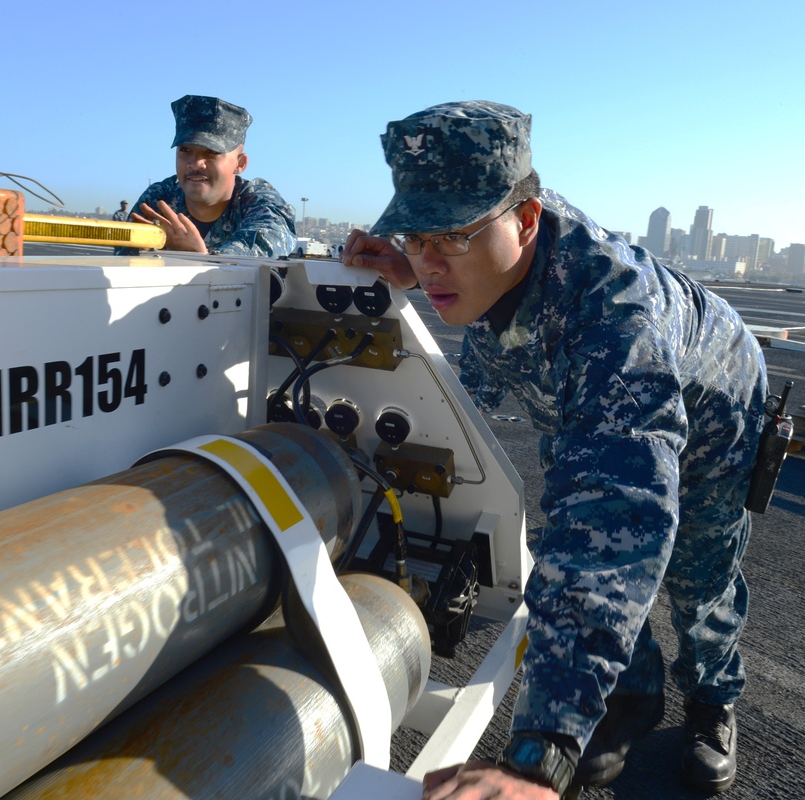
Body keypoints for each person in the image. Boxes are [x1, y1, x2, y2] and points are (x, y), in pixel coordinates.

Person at [341, 101, 768, 798]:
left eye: (448, 236)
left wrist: (541, 755)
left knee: (697, 573)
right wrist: (424, 266)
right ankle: (631, 692)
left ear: (528, 221)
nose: (428, 259)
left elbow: (610, 539)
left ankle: (712, 701)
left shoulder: (615, 323)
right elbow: (463, 394)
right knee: (578, 525)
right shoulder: (496, 247)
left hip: (713, 407)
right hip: (580, 403)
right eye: (415, 236)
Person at [117, 95, 296, 257]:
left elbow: (267, 242)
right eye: (185, 150)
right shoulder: (159, 199)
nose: (195, 163)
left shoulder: (258, 201)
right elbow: (120, 262)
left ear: (240, 164)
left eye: (211, 152)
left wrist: (201, 259)